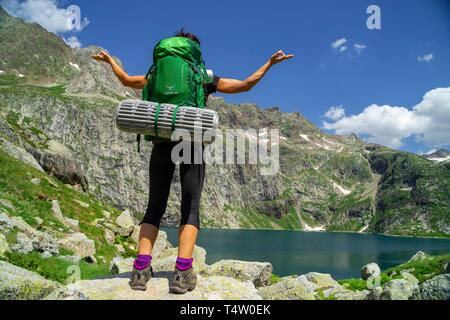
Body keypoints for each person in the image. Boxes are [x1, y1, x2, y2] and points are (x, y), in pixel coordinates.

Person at [92, 29, 294, 294]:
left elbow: (127, 81)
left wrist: (110, 62)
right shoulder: (202, 77)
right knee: (191, 208)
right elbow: (245, 85)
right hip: (191, 143)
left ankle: (140, 271)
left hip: (162, 143)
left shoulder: (155, 75)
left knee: (154, 207)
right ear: (196, 53)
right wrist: (269, 63)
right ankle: (182, 272)